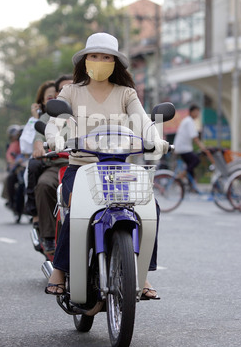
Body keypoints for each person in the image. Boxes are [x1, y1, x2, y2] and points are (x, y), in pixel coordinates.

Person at [44, 32, 169, 297]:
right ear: (85, 60)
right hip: (81, 167)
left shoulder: (126, 93)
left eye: (106, 57)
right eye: (94, 56)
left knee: (151, 206)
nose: (100, 61)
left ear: (115, 63)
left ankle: (142, 273)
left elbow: (143, 121)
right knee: (76, 204)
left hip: (119, 169)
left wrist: (155, 140)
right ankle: (60, 270)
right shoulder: (71, 91)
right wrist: (55, 138)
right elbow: (58, 121)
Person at [25, 77, 72, 256]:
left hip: (87, 165)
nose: (67, 92)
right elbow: (39, 137)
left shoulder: (88, 111)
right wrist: (39, 146)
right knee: (44, 185)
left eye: (72, 86)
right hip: (57, 164)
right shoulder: (49, 116)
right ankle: (49, 238)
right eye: (62, 89)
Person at [173, 104, 213, 185]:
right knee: (196, 160)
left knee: (190, 166)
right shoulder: (189, 121)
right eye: (196, 112)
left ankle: (192, 185)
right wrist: (203, 148)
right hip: (183, 148)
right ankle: (182, 175)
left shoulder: (188, 121)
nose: (198, 114)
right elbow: (195, 137)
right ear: (191, 112)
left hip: (183, 147)